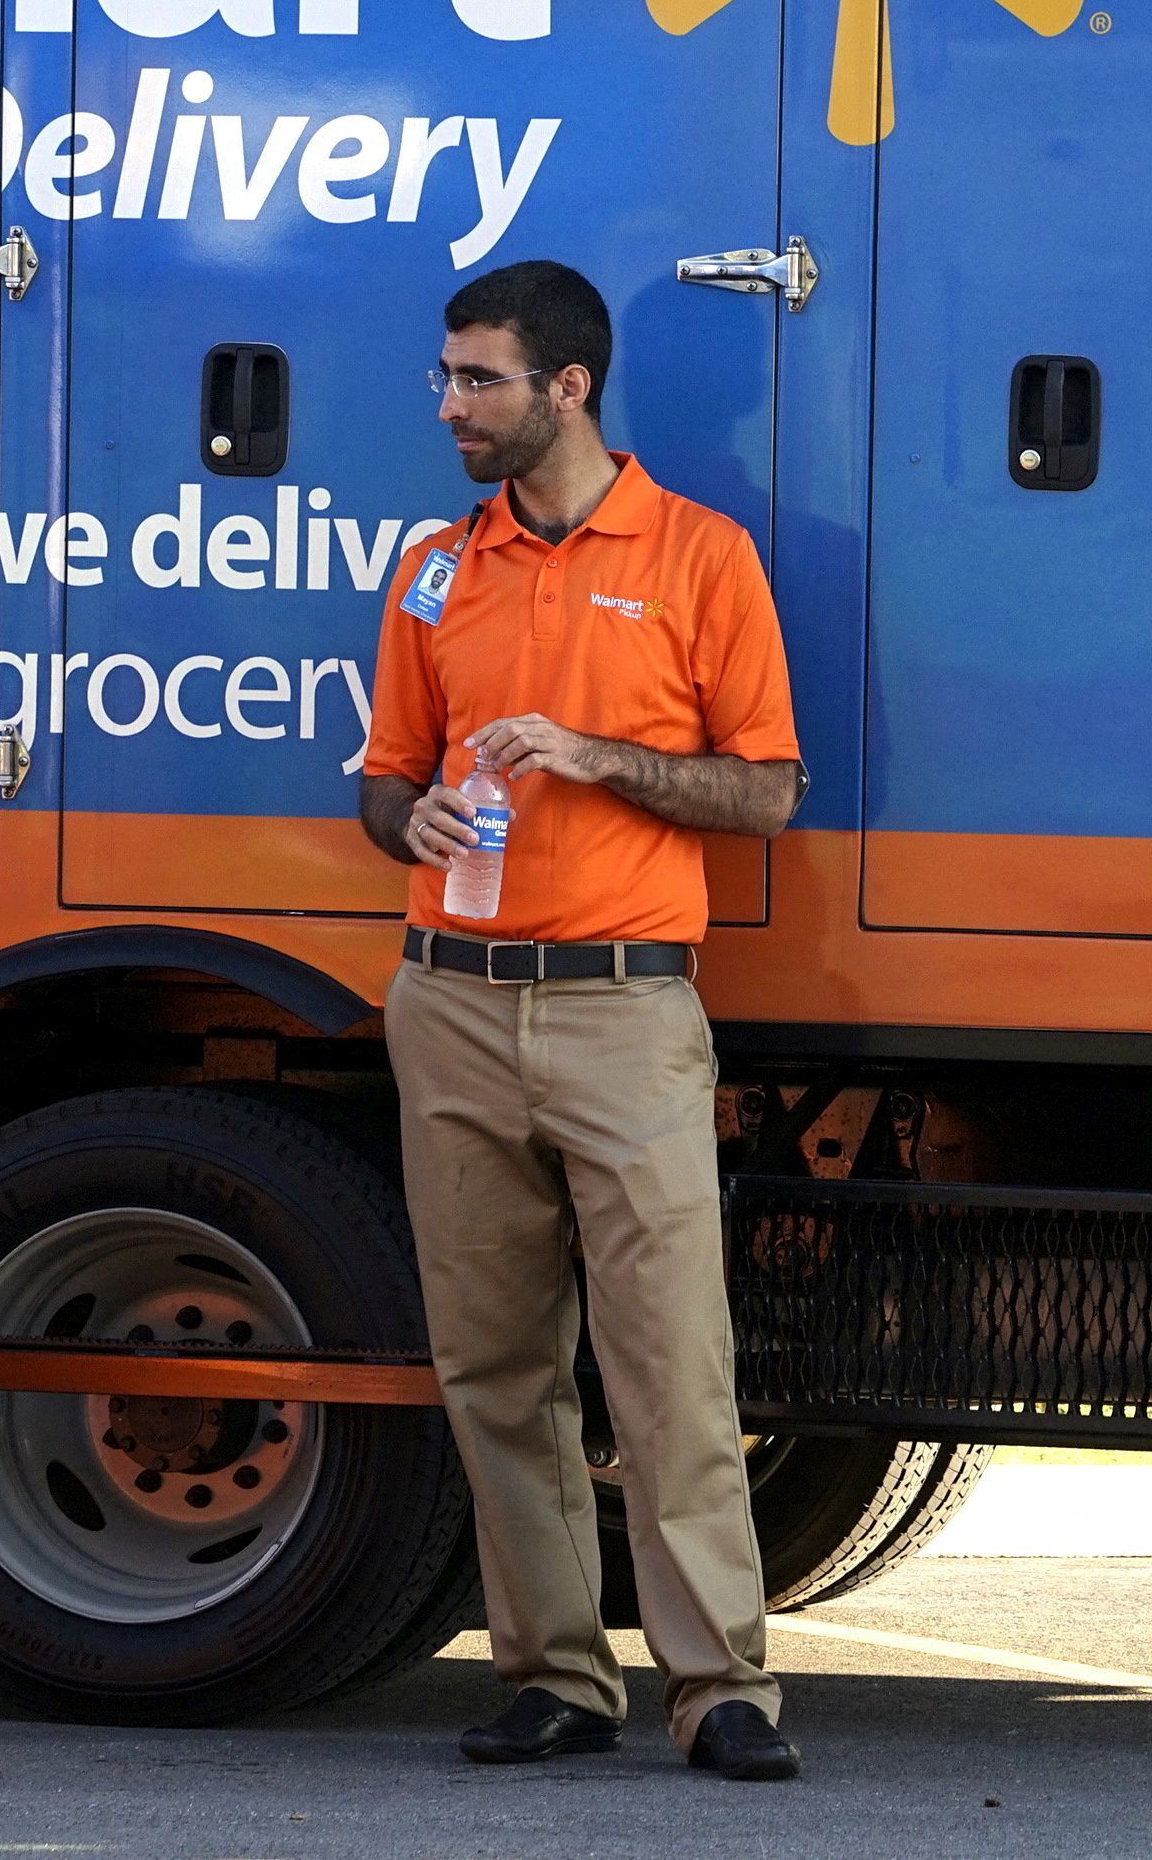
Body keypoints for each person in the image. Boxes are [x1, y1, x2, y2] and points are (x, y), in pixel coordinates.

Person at [357, 258, 808, 1781]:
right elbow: (382, 772)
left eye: (476, 379)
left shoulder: (698, 554)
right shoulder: (434, 567)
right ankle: (554, 1673)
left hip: (625, 1007)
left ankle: (721, 1687)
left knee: (672, 1360)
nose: (449, 406)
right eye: (445, 376)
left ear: (569, 387)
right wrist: (400, 818)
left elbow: (766, 790)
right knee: (493, 1362)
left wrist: (598, 754)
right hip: (451, 1000)